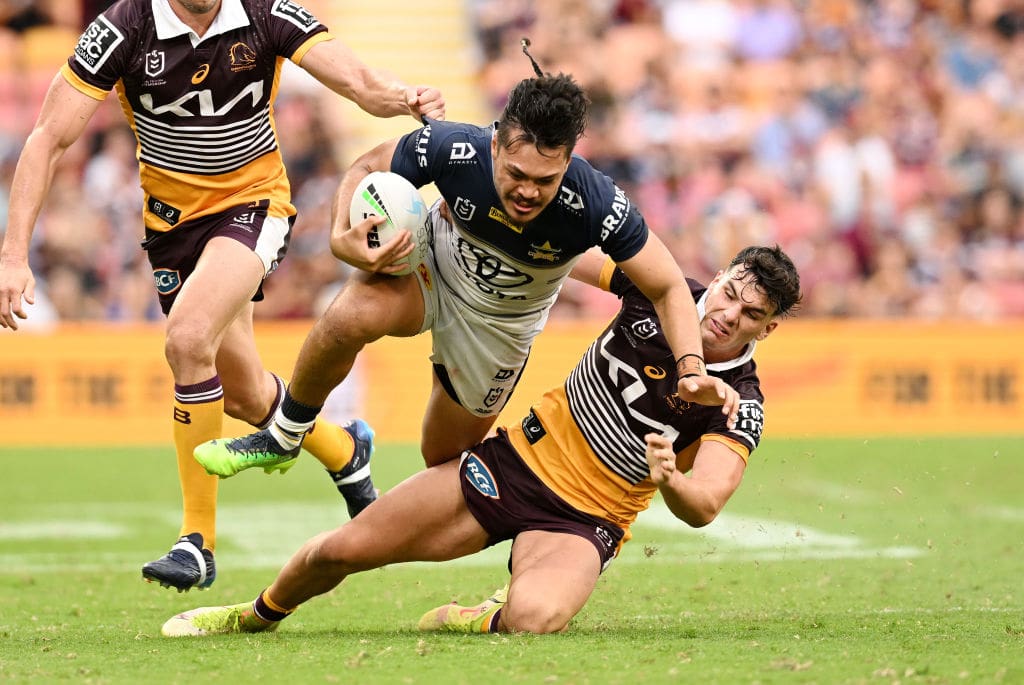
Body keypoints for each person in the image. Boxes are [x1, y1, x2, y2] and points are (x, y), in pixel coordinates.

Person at [0, 0, 445, 593]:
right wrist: (11, 254)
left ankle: (197, 542)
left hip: (253, 207)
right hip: (172, 230)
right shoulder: (122, 28)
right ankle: (345, 451)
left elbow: (359, 82)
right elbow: (48, 138)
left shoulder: (266, 13)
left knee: (187, 338)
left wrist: (404, 98)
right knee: (244, 394)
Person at [160, 244, 802, 637]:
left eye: (749, 316)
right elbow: (562, 251)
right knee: (340, 552)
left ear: (767, 330)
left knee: (534, 620)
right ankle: (252, 616)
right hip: (516, 463)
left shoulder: (741, 402)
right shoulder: (659, 289)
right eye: (728, 294)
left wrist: (672, 479)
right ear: (716, 278)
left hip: (590, 518)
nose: (725, 316)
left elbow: (707, 504)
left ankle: (480, 614)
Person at [192, 46, 737, 492]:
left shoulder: (598, 203)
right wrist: (341, 238)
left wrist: (692, 369)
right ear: (496, 142)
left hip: (499, 331)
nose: (527, 191)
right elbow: (366, 164)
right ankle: (287, 432)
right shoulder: (456, 148)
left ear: (568, 163)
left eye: (545, 181)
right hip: (430, 268)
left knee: (440, 458)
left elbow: (667, 286)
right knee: (349, 314)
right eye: (516, 172)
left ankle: (360, 455)